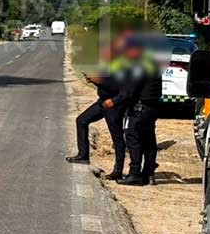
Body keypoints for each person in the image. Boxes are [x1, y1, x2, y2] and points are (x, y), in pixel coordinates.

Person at [66, 42, 128, 180]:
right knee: (81, 120)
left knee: (117, 137)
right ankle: (83, 155)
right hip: (102, 102)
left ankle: (118, 170)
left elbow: (118, 87)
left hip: (113, 104)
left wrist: (99, 81)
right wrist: (93, 80)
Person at [110, 39, 162, 186]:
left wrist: (113, 101)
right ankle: (148, 174)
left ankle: (134, 174)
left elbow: (129, 91)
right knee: (149, 140)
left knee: (133, 138)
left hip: (140, 108)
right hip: (152, 108)